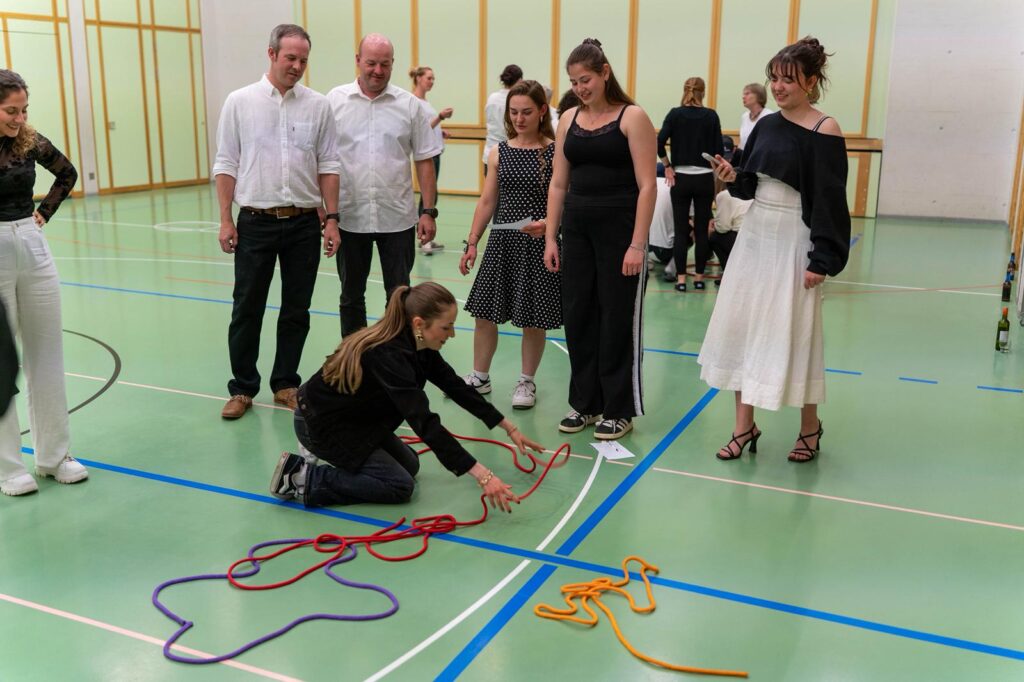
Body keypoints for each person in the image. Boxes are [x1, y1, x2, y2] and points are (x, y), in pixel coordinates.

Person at [699, 37, 850, 463]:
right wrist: (732, 175)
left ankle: (809, 427)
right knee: (743, 328)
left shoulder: (825, 130)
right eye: (774, 79)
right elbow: (751, 183)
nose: (778, 87)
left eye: (788, 79)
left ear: (811, 82)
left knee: (796, 333)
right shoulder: (766, 125)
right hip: (755, 236)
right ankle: (743, 427)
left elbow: (830, 200)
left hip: (793, 240)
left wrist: (822, 258)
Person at [270, 282, 542, 511]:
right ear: (419, 323)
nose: (452, 334)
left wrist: (508, 426)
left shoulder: (419, 344)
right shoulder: (390, 356)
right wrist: (483, 475)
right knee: (399, 485)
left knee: (410, 464)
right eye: (446, 327)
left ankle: (325, 459)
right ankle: (302, 477)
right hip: (321, 423)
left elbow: (456, 387)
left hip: (356, 422)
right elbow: (424, 422)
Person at [213, 24, 341, 420]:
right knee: (246, 308)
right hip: (255, 222)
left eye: (303, 60)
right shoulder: (239, 102)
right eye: (290, 58)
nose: (297, 66)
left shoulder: (318, 106)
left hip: (304, 224)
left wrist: (332, 219)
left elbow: (329, 164)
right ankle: (242, 388)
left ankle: (286, 383)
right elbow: (226, 163)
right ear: (271, 54)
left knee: (297, 309)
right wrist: (225, 219)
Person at [543, 39, 657, 441]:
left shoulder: (632, 117)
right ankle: (586, 403)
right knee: (578, 316)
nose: (580, 88)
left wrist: (637, 244)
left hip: (620, 232)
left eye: (586, 80)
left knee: (616, 318)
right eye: (574, 82)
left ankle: (618, 408)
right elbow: (559, 183)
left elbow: (648, 186)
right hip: (576, 230)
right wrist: (551, 237)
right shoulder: (568, 118)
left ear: (605, 73)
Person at [0, 69, 87, 496]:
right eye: (10, 111)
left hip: (31, 243)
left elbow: (67, 173)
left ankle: (54, 457)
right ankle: (7, 468)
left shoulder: (29, 140)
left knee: (47, 352)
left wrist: (43, 213)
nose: (19, 119)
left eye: (24, 110)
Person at [328, 34, 442, 337]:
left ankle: (398, 355)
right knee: (351, 296)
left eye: (385, 64)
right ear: (357, 61)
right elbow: (323, 161)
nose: (378, 70)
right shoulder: (334, 102)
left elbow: (425, 160)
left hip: (397, 219)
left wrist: (428, 211)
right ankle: (353, 356)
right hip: (350, 218)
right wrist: (328, 213)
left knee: (400, 296)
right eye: (371, 63)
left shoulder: (410, 105)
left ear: (393, 64)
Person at [459, 80, 560, 410]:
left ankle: (526, 381)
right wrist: (472, 241)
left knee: (533, 319)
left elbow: (563, 198)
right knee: (484, 313)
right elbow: (488, 201)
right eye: (514, 112)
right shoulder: (498, 152)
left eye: (526, 112)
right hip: (502, 243)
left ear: (542, 111)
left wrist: (548, 226)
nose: (519, 118)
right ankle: (480, 377)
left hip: (537, 245)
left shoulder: (555, 152)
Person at [657, 77, 723, 292]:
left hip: (681, 178)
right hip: (704, 178)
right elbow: (718, 151)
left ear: (684, 91)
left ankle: (681, 280)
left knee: (680, 230)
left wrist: (667, 166)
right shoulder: (711, 116)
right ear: (703, 92)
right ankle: (699, 278)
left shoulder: (675, 114)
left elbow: (658, 143)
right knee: (702, 231)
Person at [410, 65, 453, 255]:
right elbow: (421, 129)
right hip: (427, 155)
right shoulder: (414, 102)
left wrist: (440, 132)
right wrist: (440, 117)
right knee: (428, 195)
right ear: (418, 78)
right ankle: (424, 238)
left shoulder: (425, 102)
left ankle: (426, 236)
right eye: (429, 78)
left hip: (435, 152)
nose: (432, 81)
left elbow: (429, 128)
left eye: (433, 78)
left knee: (431, 195)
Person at [482, 64, 523, 176]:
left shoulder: (492, 98)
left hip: (489, 153)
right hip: (510, 154)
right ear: (520, 81)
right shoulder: (516, 100)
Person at [707, 189, 752, 285]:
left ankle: (729, 276)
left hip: (740, 238)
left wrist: (712, 227)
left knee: (715, 238)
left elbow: (723, 228)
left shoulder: (724, 195)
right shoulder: (752, 192)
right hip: (755, 238)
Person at [733, 82, 774, 166]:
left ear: (759, 96)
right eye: (743, 94)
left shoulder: (768, 115)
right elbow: (743, 142)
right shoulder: (744, 116)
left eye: (747, 93)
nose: (743, 97)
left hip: (760, 160)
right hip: (743, 157)